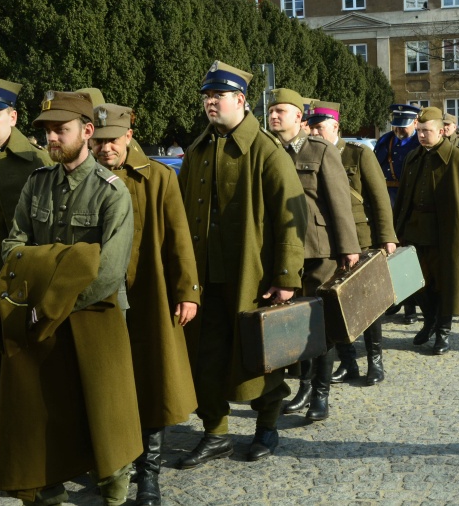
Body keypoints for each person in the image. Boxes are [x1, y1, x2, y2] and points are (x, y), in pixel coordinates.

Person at [0, 90, 140, 505]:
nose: (52, 139)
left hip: (95, 316)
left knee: (107, 417)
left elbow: (107, 270)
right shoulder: (37, 184)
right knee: (48, 410)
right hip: (43, 316)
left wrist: (54, 296)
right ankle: (49, 487)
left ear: (87, 130)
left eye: (61, 130)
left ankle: (113, 494)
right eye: (46, 132)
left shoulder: (112, 192)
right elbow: (14, 247)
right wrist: (64, 266)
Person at [177, 62, 307, 465]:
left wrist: (286, 277)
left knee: (260, 357)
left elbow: (293, 217)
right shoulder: (198, 149)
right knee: (206, 356)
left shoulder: (266, 151)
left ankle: (266, 428)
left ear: (241, 100)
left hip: (253, 278)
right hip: (205, 278)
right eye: (206, 97)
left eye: (218, 96)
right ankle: (215, 432)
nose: (210, 103)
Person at [90, 103, 200, 505]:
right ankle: (110, 463)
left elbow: (179, 236)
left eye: (113, 141)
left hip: (150, 296)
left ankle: (148, 474)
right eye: (99, 142)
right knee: (107, 383)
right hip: (100, 299)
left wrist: (187, 292)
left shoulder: (157, 177)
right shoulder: (86, 175)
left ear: (129, 137)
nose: (105, 150)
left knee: (153, 382)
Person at [267, 88, 360, 421]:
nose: (274, 115)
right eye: (271, 110)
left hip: (320, 250)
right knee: (295, 322)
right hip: (284, 251)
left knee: (320, 325)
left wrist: (348, 248)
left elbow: (339, 201)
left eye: (281, 110)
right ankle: (304, 387)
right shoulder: (270, 150)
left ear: (299, 117)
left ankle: (321, 393)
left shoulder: (319, 149)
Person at [0, 74, 53, 432]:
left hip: (14, 291)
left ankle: (30, 447)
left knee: (22, 372)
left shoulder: (37, 162)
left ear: (13, 117)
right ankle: (6, 437)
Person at [306, 100, 397, 386]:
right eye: (311, 127)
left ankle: (375, 362)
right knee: (334, 305)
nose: (314, 132)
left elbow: (379, 198)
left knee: (368, 303)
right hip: (328, 242)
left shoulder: (357, 155)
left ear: (335, 126)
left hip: (362, 238)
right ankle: (348, 362)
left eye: (319, 127)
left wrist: (387, 237)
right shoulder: (309, 154)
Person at [393, 107, 459, 354]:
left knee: (446, 283)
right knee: (416, 284)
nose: (422, 135)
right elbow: (403, 198)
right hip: (415, 231)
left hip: (448, 233)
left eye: (428, 131)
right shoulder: (413, 157)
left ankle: (443, 332)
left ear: (442, 131)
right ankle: (430, 321)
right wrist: (395, 231)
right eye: (420, 131)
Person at [374, 103, 421, 324]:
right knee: (390, 253)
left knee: (409, 255)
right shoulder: (386, 140)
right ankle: (396, 299)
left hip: (412, 202)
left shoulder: (420, 141)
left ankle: (411, 305)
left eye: (404, 126)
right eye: (397, 125)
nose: (400, 130)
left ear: (415, 122)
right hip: (390, 201)